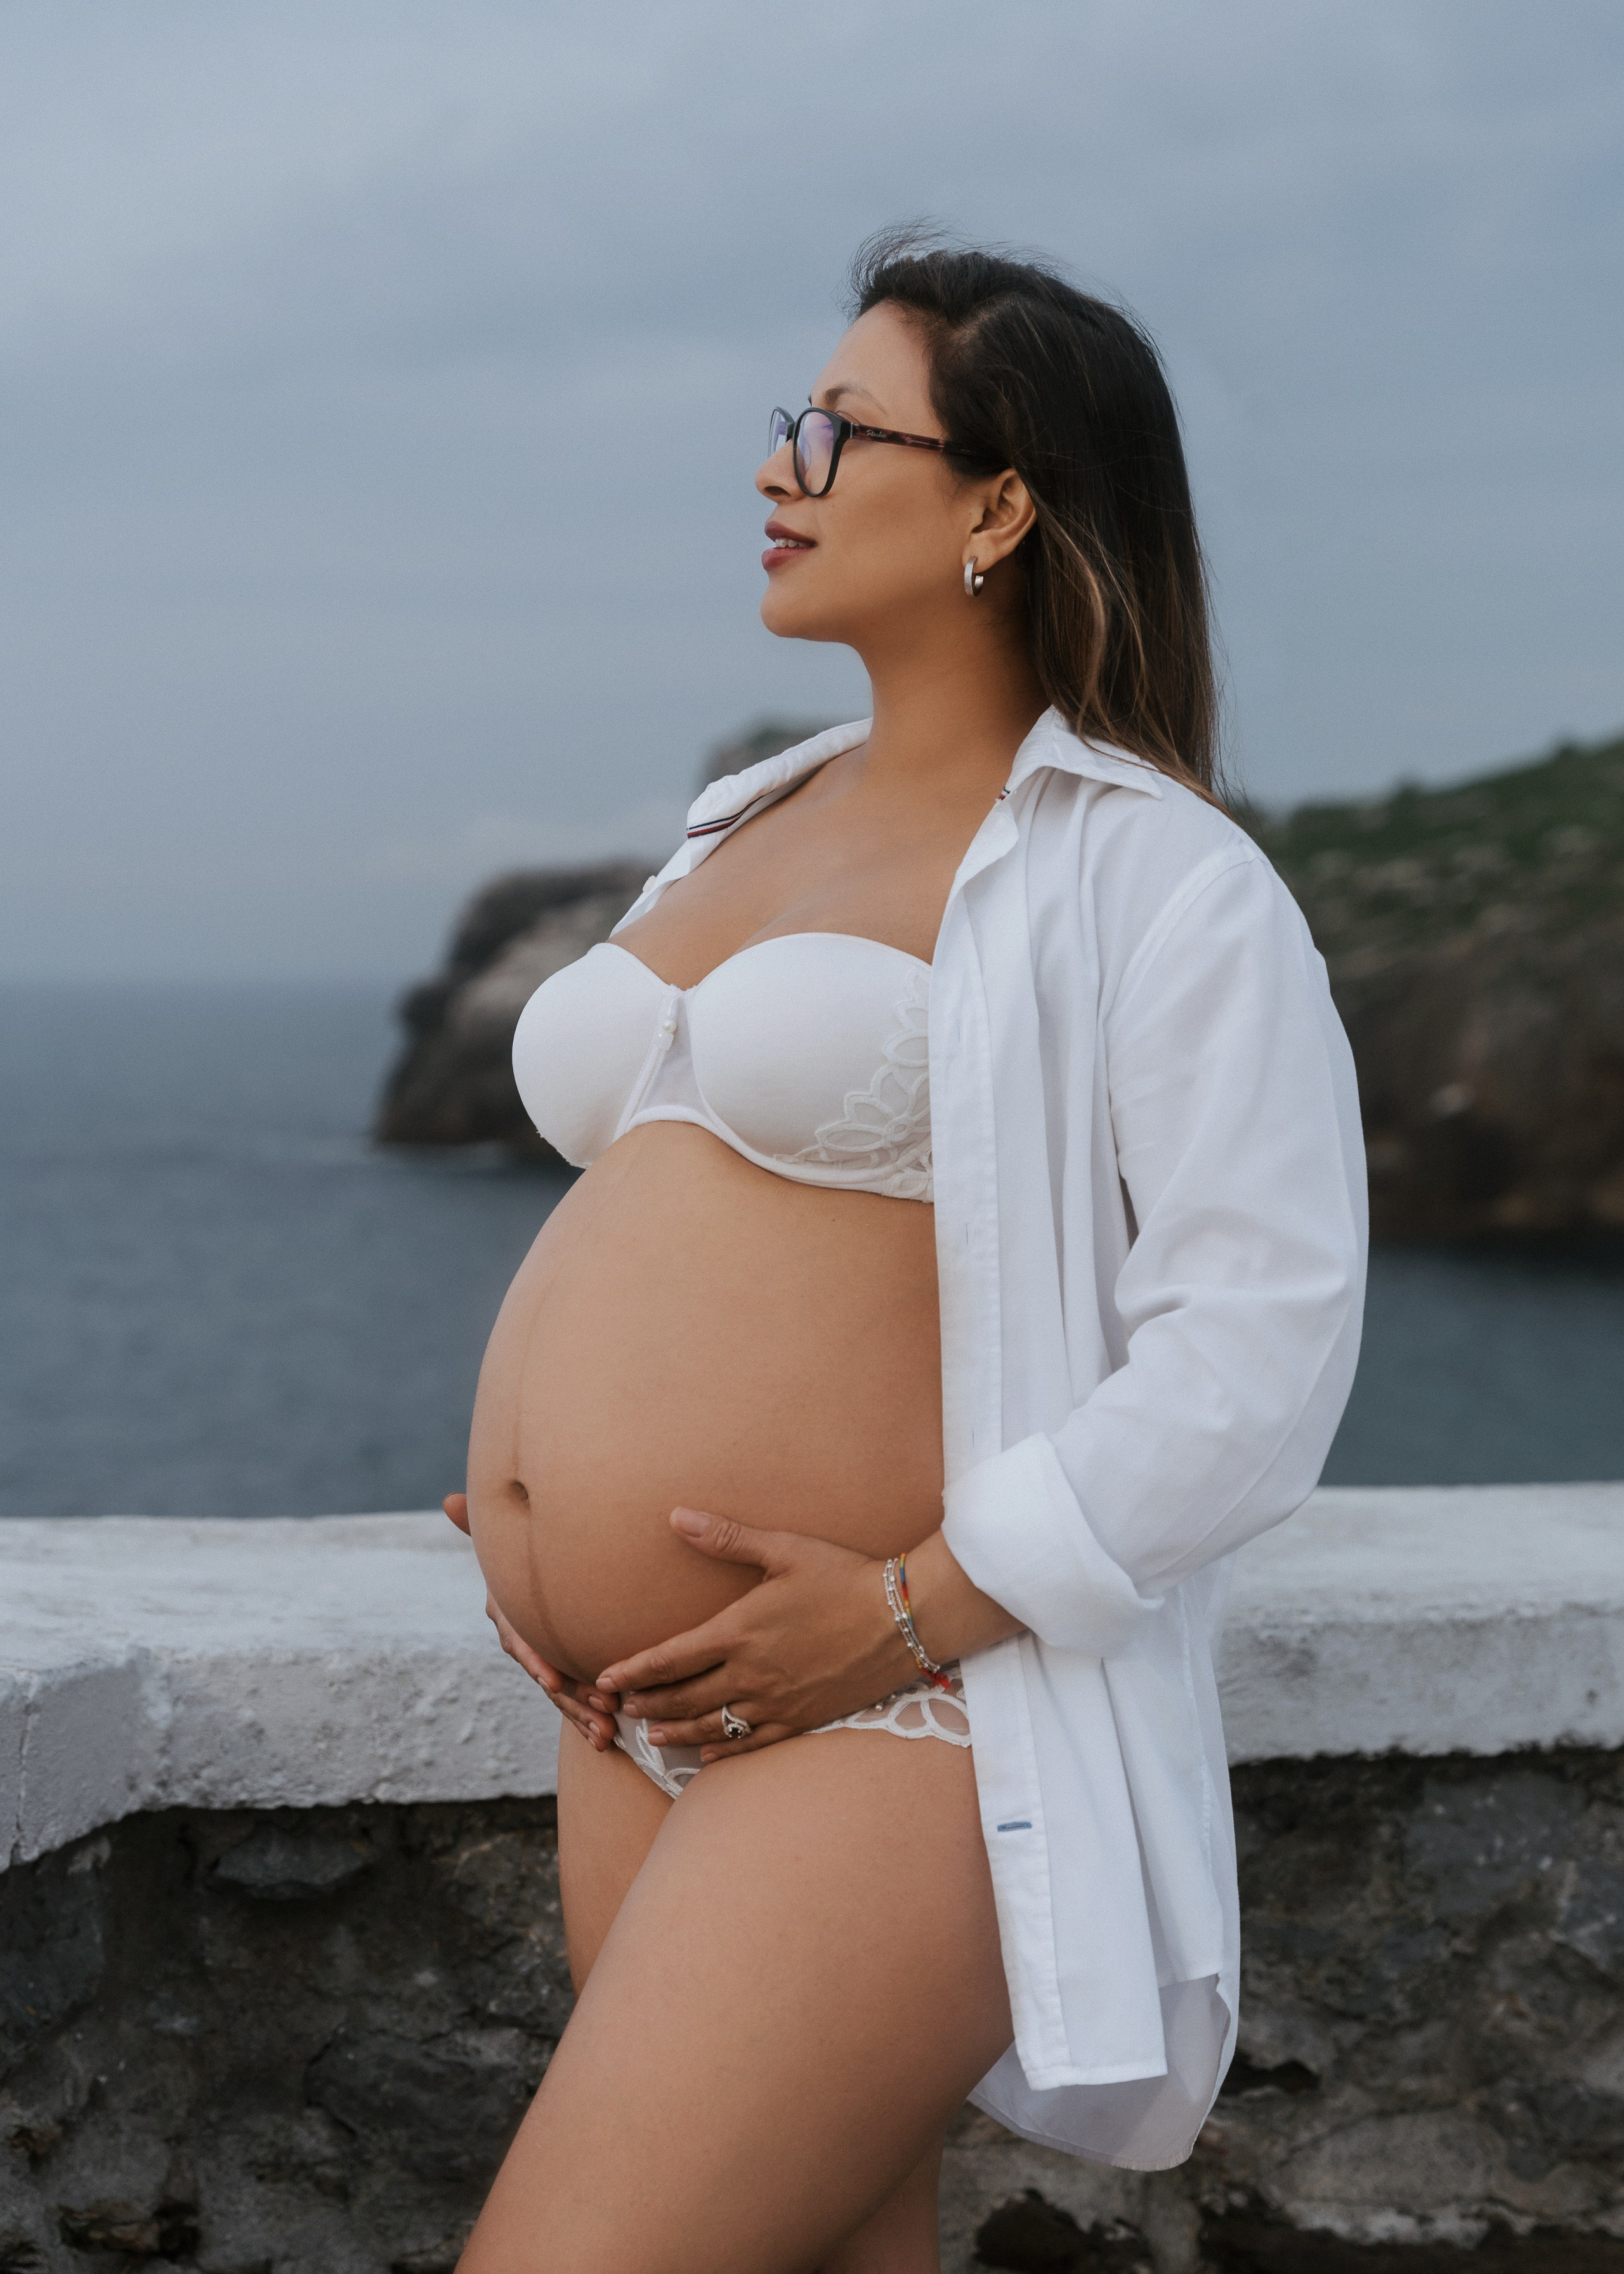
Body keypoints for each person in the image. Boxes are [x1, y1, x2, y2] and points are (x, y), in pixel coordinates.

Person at [443, 231, 1366, 2273]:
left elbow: (1262, 1346)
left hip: (895, 1714)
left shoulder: (1159, 877)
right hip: (630, 1705)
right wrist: (532, 1483)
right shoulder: (742, 820)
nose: (780, 466)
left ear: (1002, 502)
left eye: (837, 429)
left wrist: (918, 1604)